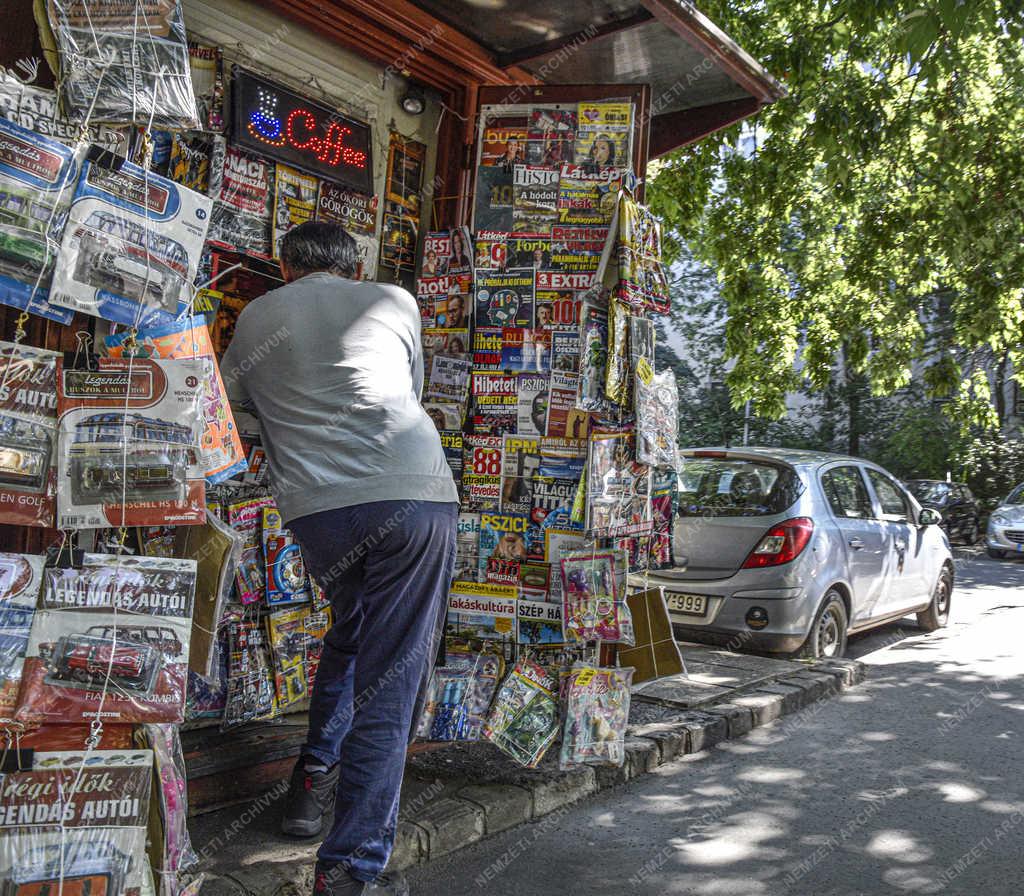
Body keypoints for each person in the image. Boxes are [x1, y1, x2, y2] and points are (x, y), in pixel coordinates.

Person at [221, 221, 459, 896]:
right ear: (354, 266)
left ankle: (309, 786)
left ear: (283, 264)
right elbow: (404, 394)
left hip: (321, 514)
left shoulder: (257, 316)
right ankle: (350, 869)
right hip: (413, 500)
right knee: (392, 680)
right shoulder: (396, 301)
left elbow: (232, 417)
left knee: (352, 639)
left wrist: (284, 418)